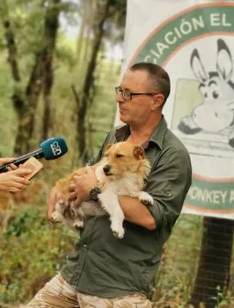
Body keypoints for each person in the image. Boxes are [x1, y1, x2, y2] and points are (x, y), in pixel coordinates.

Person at [27, 62, 192, 308]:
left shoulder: (172, 155)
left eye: (128, 93)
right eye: (119, 90)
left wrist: (94, 191)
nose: (119, 98)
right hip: (77, 273)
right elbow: (88, 178)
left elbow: (151, 217)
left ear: (156, 100)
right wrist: (62, 188)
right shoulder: (116, 136)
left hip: (118, 290)